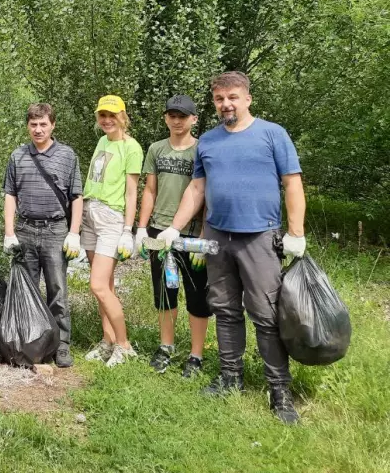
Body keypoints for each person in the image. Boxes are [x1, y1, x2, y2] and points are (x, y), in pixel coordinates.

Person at [166, 71, 306, 424]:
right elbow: (197, 190)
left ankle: (279, 390)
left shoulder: (273, 134)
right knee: (225, 310)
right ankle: (231, 377)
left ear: (247, 99)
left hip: (260, 236)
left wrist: (296, 232)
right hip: (217, 237)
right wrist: (174, 227)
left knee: (265, 314)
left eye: (232, 97)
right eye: (219, 99)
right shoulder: (209, 142)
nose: (225, 104)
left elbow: (292, 183)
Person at [2, 102, 83, 368]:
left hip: (55, 230)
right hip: (25, 229)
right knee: (27, 289)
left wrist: (74, 232)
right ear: (27, 126)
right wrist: (9, 231)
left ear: (53, 125)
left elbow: (76, 197)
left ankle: (61, 344)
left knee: (57, 290)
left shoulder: (67, 155)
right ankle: (30, 341)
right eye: (33, 124)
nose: (38, 129)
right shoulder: (18, 156)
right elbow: (10, 195)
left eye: (43, 124)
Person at [136, 94, 210, 377]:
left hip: (192, 237)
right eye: (172, 115)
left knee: (197, 296)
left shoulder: (202, 150)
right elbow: (150, 190)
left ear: (194, 119)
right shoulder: (156, 149)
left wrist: (204, 236)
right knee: (165, 292)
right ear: (166, 118)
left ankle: (195, 355)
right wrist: (142, 228)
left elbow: (206, 194)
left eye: (183, 116)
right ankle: (165, 347)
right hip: (159, 232)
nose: (177, 121)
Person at [79, 95, 143, 367]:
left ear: (123, 117)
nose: (106, 120)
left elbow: (131, 192)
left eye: (112, 115)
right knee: (104, 286)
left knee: (97, 285)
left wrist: (128, 230)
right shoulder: (102, 142)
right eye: (102, 115)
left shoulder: (132, 148)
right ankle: (108, 341)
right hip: (90, 213)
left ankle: (125, 345)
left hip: (111, 218)